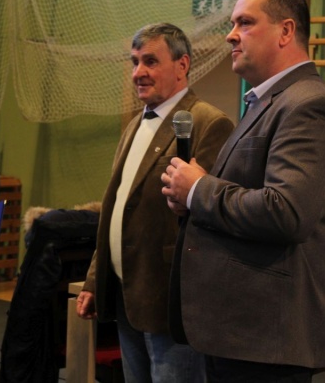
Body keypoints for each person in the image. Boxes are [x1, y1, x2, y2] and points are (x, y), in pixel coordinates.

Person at [162, 0, 325, 383]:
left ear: (286, 31)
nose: (230, 35)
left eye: (245, 23)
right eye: (233, 24)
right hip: (238, 334)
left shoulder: (311, 104)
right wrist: (190, 200)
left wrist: (198, 190)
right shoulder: (266, 102)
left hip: (266, 343)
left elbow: (286, 213)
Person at [76, 23, 234, 382]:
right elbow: (117, 211)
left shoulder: (209, 123)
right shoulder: (134, 125)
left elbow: (213, 216)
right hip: (125, 294)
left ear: (182, 65)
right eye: (135, 62)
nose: (138, 73)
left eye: (150, 61)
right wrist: (94, 281)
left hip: (170, 301)